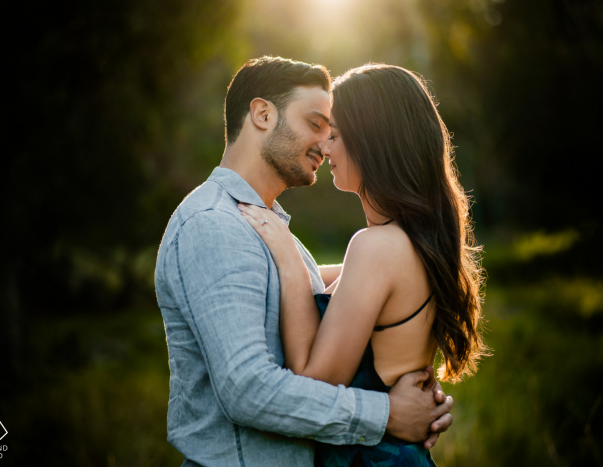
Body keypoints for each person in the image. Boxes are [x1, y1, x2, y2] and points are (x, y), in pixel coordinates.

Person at [154, 57, 454, 467]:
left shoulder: (273, 229)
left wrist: (291, 258)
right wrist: (387, 414)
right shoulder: (215, 225)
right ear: (262, 114)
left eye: (335, 132)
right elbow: (248, 391)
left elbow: (334, 288)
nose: (325, 143)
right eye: (316, 124)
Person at [238, 64, 487, 466]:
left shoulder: (376, 249)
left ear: (373, 142)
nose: (325, 148)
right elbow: (319, 280)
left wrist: (284, 254)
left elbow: (312, 383)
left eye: (334, 135)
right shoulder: (408, 242)